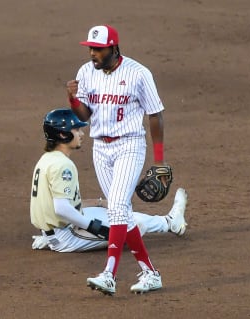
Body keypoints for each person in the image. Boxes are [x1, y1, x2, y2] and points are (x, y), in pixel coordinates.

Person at [66, 25, 182, 295]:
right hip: (100, 149)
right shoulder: (85, 73)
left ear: (113, 48)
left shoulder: (138, 74)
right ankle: (151, 273)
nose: (93, 54)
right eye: (90, 49)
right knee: (121, 213)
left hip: (129, 145)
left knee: (117, 206)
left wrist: (159, 159)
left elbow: (155, 115)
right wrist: (72, 99)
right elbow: (84, 116)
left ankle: (109, 274)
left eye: (98, 49)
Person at [30, 108, 188, 255]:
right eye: (77, 130)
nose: (82, 134)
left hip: (58, 228)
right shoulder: (63, 165)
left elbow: (54, 204)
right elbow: (62, 209)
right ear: (63, 135)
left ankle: (170, 222)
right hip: (67, 236)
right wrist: (96, 228)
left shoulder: (47, 159)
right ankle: (166, 224)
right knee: (133, 229)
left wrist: (99, 203)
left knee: (117, 213)